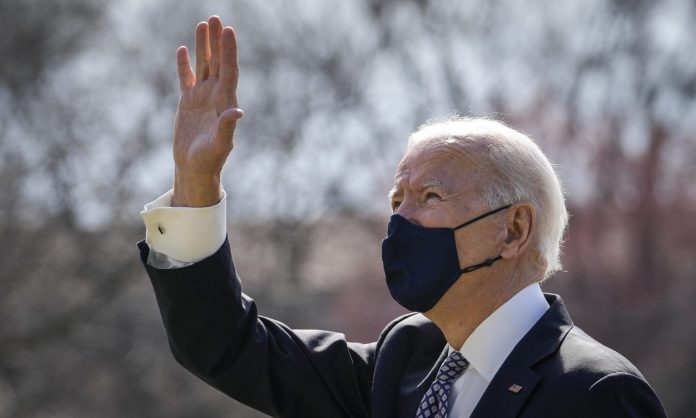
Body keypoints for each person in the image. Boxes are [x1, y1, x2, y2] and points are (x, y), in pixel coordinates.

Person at [138, 15, 667, 418]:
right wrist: (196, 183)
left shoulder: (597, 391)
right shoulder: (401, 363)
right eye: (396, 201)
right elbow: (225, 344)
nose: (401, 221)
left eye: (431, 197)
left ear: (514, 230)